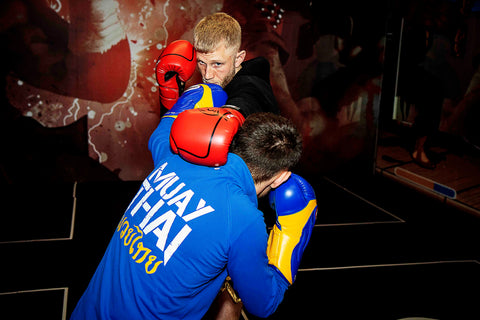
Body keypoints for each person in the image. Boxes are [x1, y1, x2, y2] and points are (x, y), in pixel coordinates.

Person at [70, 84, 317, 319]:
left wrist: (204, 93)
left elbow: (160, 134)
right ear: (281, 177)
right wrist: (293, 232)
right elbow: (264, 304)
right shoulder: (243, 219)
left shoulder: (175, 158)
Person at [193, 12, 280, 117]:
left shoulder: (251, 88)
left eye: (217, 64)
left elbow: (245, 101)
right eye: (201, 62)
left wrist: (231, 116)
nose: (207, 75)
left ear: (238, 59)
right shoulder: (220, 86)